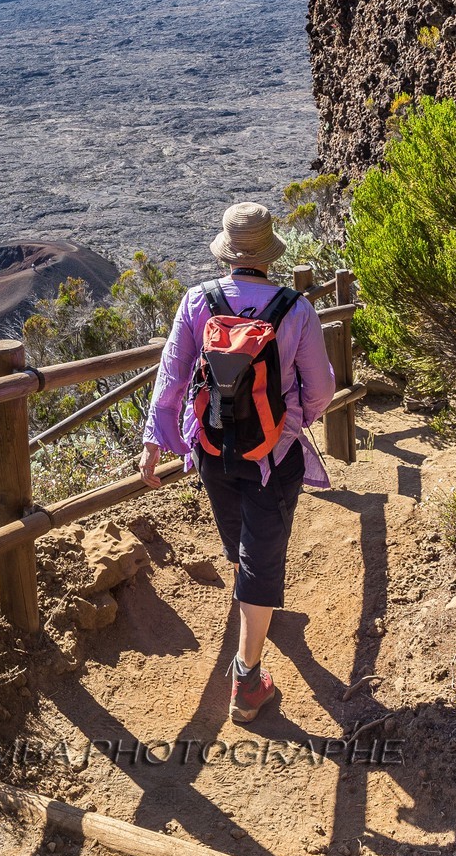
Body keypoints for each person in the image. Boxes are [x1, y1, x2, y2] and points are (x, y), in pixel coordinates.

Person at [138, 201, 336, 723]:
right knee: (262, 554)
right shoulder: (295, 309)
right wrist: (289, 424)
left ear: (228, 252)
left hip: (210, 448)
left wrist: (155, 441)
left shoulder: (197, 301)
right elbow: (321, 389)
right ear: (269, 253)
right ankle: (248, 682)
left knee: (240, 542)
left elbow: (173, 376)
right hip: (272, 455)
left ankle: (250, 604)